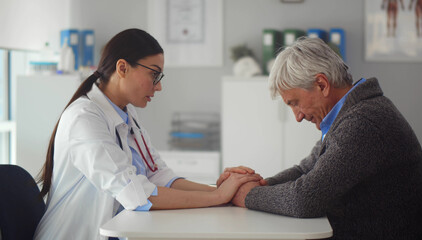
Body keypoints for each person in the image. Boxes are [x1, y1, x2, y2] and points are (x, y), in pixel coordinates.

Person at [33, 29, 262, 240]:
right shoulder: (84, 118)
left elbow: (158, 175)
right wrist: (218, 197)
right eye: (154, 74)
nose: (158, 86)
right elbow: (135, 194)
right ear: (122, 68)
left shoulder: (126, 112)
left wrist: (224, 192)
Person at [219, 37, 422, 239]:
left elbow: (304, 199)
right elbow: (305, 170)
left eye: (295, 103)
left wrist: (247, 195)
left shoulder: (364, 122)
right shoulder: (352, 113)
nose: (298, 116)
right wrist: (256, 184)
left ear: (321, 84)